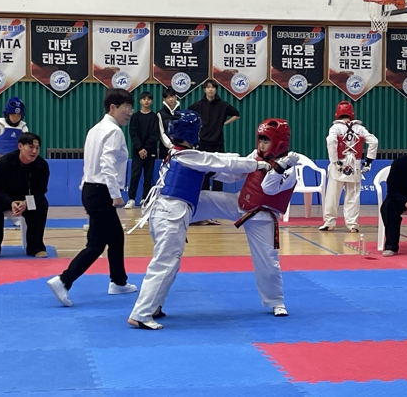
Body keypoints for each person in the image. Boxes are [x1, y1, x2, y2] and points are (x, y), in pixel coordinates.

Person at [127, 110, 271, 330]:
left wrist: (248, 162)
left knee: (168, 262)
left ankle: (153, 306)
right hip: (170, 214)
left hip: (165, 212)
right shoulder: (189, 156)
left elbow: (221, 164)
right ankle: (141, 314)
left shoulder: (180, 153)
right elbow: (219, 162)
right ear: (192, 132)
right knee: (165, 263)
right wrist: (257, 165)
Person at [192, 119, 300, 317]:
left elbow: (268, 188)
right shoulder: (256, 155)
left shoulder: (291, 169)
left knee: (268, 262)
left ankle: (276, 301)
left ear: (279, 143)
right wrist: (211, 171)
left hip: (262, 218)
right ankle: (175, 218)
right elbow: (236, 174)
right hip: (240, 203)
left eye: (266, 141)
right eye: (261, 140)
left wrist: (279, 167)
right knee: (203, 199)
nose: (261, 145)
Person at [47, 89, 137, 307]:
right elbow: (106, 164)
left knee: (115, 238)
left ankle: (118, 281)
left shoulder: (95, 129)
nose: (130, 112)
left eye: (131, 108)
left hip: (91, 188)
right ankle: (63, 280)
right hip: (101, 190)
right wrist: (115, 195)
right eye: (126, 107)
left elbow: (89, 163)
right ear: (113, 107)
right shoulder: (113, 132)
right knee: (96, 245)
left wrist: (86, 187)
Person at [0, 132, 50, 259]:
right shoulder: (4, 162)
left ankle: (36, 247)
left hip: (27, 198)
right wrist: (10, 202)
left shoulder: (42, 165)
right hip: (3, 196)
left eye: (37, 148)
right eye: (31, 147)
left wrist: (26, 203)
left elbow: (40, 191)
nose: (34, 151)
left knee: (42, 205)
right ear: (20, 146)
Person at [320, 101, 379, 233]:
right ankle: (352, 224)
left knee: (332, 195)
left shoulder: (335, 128)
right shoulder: (360, 128)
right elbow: (374, 141)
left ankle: (330, 222)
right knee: (353, 196)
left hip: (339, 164)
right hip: (354, 164)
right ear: (352, 114)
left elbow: (331, 141)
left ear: (337, 114)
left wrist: (334, 160)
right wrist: (368, 160)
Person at [188, 79, 241, 192]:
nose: (210, 89)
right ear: (204, 90)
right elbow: (188, 114)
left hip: (217, 142)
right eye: (208, 87)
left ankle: (218, 194)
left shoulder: (223, 105)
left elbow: (236, 114)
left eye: (213, 87)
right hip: (202, 142)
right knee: (203, 170)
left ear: (216, 89)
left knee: (219, 170)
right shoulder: (198, 105)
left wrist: (225, 123)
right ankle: (204, 193)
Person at [125, 92, 160, 209]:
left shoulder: (154, 117)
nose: (146, 101)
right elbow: (133, 133)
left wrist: (146, 148)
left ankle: (145, 199)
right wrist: (140, 148)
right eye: (144, 99)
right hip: (137, 152)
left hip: (150, 152)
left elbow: (155, 135)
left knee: (148, 176)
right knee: (135, 175)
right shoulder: (135, 117)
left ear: (152, 101)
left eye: (149, 99)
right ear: (140, 101)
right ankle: (131, 199)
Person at [0, 97, 29, 169]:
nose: (15, 118)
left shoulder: (23, 128)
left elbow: (27, 145)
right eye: (13, 115)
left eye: (18, 116)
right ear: (7, 114)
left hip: (17, 163)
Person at [157, 87, 180, 162]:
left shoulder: (182, 113)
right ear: (164, 99)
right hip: (165, 150)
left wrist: (179, 146)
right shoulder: (160, 114)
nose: (171, 99)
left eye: (172, 96)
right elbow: (161, 133)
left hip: (180, 149)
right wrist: (170, 146)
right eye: (168, 97)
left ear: (176, 97)